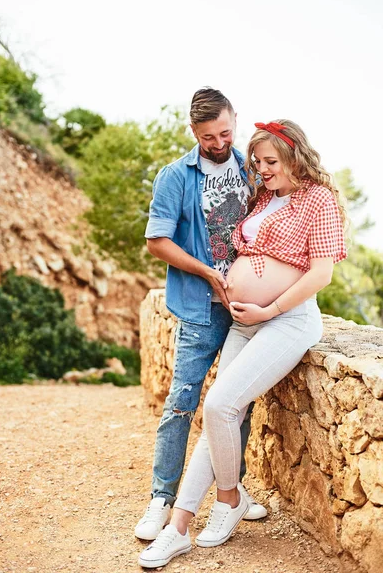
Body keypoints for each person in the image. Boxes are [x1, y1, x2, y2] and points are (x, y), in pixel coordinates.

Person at [138, 119, 347, 568]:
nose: (261, 169)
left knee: (217, 407)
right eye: (257, 162)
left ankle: (229, 498)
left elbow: (321, 274)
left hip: (287, 321)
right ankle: (178, 527)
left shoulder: (318, 200)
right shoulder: (264, 197)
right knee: (221, 417)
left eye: (270, 162)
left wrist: (268, 310)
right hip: (245, 321)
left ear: (295, 157)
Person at [135, 88, 267, 543]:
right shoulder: (174, 176)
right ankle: (162, 499)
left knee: (236, 405)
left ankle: (234, 493)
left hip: (249, 310)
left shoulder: (252, 168)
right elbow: (157, 241)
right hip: (199, 307)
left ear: (235, 120)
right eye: (208, 136)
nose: (217, 142)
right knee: (182, 404)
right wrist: (208, 273)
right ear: (193, 132)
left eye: (225, 132)